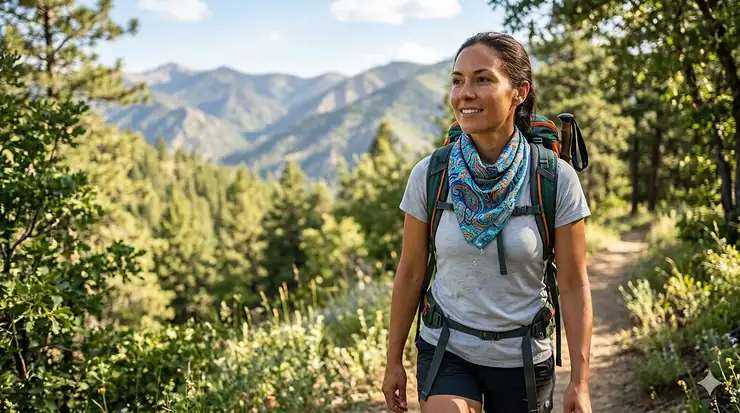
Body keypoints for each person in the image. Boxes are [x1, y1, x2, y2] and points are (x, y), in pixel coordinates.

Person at [381, 31, 593, 413]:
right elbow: (411, 271)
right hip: (448, 347)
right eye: (458, 80)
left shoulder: (554, 179)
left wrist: (580, 381)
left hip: (524, 356)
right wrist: (393, 360)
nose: (465, 93)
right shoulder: (431, 175)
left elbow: (574, 283)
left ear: (519, 92)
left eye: (483, 79)